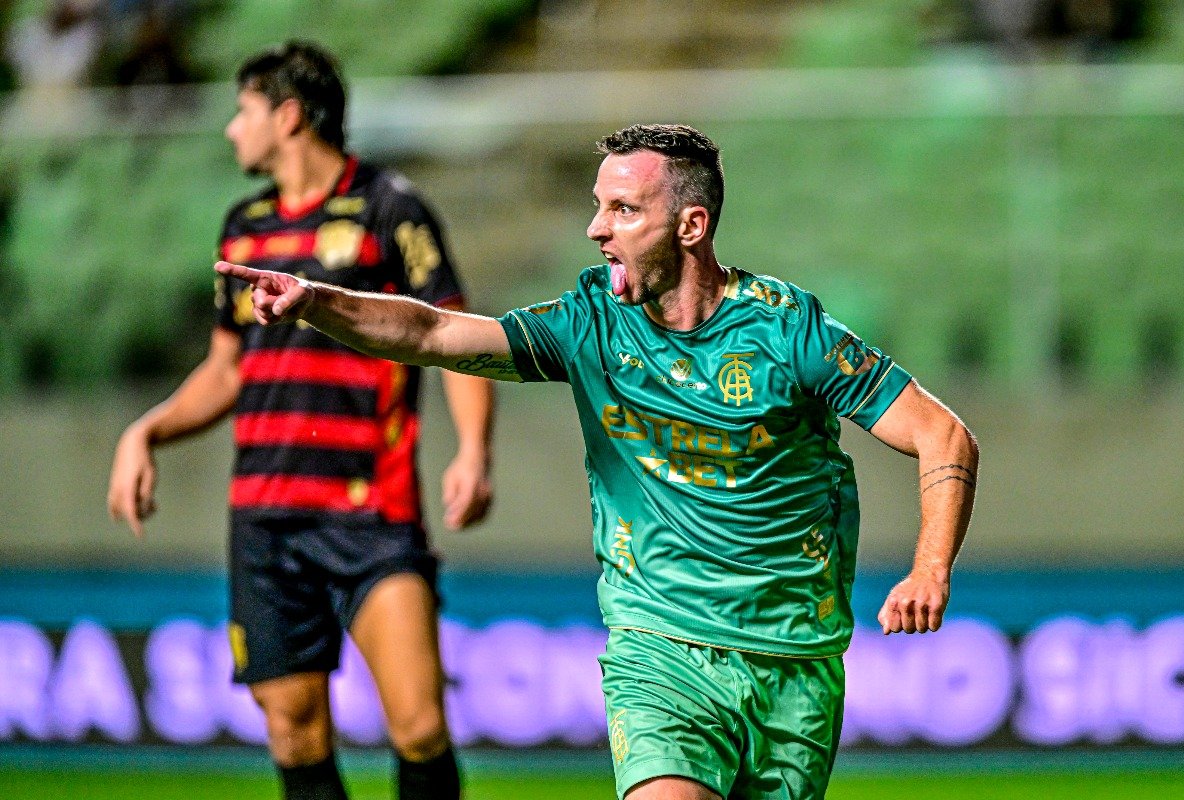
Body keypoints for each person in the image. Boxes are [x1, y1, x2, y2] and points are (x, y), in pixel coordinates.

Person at [218, 123, 979, 800]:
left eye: (622, 211)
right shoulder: (589, 324)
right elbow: (431, 336)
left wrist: (930, 568)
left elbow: (944, 436)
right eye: (597, 205)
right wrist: (317, 300)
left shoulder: (791, 333)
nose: (596, 230)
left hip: (794, 661)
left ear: (691, 225)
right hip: (657, 651)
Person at [108, 41, 493, 800]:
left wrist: (474, 450)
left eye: (242, 110)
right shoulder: (242, 225)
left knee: (417, 725)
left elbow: (451, 334)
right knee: (293, 728)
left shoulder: (391, 208)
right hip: (264, 517)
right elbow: (226, 370)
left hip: (369, 510)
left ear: (287, 115)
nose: (230, 129)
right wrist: (144, 430)